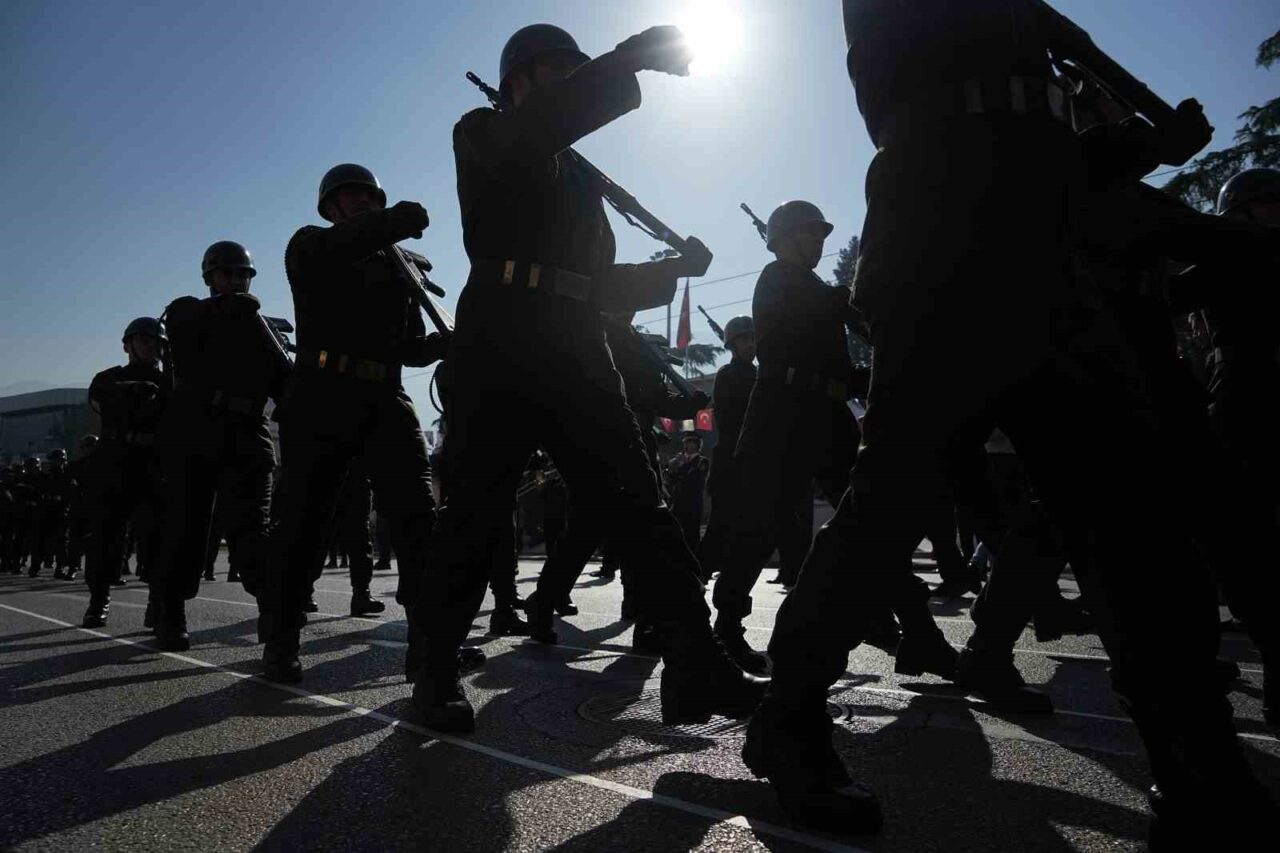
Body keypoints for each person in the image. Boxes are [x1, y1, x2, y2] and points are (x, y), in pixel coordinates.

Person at [741, 0, 1265, 839]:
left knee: (1130, 514)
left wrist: (1141, 147)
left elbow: (1041, 141)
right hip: (943, 237)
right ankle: (790, 717)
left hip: (1046, 248)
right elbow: (955, 111)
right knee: (890, 506)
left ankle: (1195, 751)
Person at [412, 23, 765, 733]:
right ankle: (435, 665)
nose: (572, 81)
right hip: (503, 335)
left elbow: (597, 280)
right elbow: (535, 131)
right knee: (475, 510)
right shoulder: (482, 130)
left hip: (575, 342)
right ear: (516, 82)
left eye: (577, 71)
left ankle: (695, 659)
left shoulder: (577, 175)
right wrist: (625, 60)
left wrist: (674, 270)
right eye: (558, 71)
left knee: (639, 503)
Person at [266, 163, 446, 682]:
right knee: (304, 521)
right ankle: (281, 638)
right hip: (322, 394)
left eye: (369, 195)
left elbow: (410, 346)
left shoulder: (399, 266)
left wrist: (446, 344)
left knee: (417, 519)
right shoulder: (310, 244)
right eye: (350, 195)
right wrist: (392, 224)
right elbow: (345, 244)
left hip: (385, 395)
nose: (362, 200)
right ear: (330, 207)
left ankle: (430, 647)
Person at [148, 241, 292, 650]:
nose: (236, 281)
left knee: (253, 532)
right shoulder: (188, 312)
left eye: (242, 275)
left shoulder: (263, 329)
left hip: (247, 438)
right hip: (195, 434)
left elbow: (286, 389)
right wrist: (230, 311)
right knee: (185, 528)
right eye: (227, 274)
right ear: (210, 278)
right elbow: (179, 327)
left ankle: (272, 614)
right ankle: (171, 611)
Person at [82, 317, 169, 628]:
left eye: (157, 342)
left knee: (156, 537)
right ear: (128, 345)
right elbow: (99, 399)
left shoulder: (170, 381)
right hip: (115, 462)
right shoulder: (109, 378)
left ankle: (156, 601)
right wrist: (132, 391)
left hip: (153, 464)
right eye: (145, 340)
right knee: (106, 535)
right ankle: (99, 600)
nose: (152, 347)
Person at [697, 315, 755, 583]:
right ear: (732, 344)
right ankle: (697, 577)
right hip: (731, 462)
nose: (751, 345)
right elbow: (731, 418)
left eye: (753, 339)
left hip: (751, 462)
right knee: (720, 526)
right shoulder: (727, 375)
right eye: (745, 340)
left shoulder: (758, 375)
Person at [666, 432, 708, 553]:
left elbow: (694, 479)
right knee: (676, 533)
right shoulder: (679, 460)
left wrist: (680, 465)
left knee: (692, 535)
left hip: (692, 503)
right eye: (687, 443)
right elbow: (670, 479)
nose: (689, 445)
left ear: (698, 445)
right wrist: (671, 467)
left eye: (692, 443)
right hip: (678, 502)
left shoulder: (702, 461)